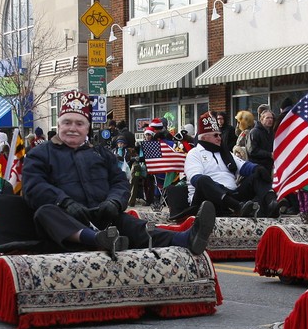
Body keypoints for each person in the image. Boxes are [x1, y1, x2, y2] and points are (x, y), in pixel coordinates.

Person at [21, 90, 215, 256]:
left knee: (132, 224)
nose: (72, 128)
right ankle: (97, 239)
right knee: (45, 212)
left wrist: (114, 201)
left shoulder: (100, 153)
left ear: (87, 127)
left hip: (101, 214)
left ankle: (185, 238)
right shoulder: (40, 154)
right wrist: (64, 201)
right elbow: (34, 187)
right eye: (67, 123)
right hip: (64, 217)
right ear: (59, 125)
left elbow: (119, 182)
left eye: (79, 123)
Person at [183, 111, 279, 218]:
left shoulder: (224, 152)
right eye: (215, 135)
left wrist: (257, 168)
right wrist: (218, 187)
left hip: (231, 194)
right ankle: (238, 207)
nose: (220, 138)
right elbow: (196, 179)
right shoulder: (194, 153)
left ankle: (272, 204)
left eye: (219, 135)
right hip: (206, 199)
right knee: (203, 180)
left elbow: (244, 167)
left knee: (258, 172)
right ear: (204, 137)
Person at [245, 106, 276, 171]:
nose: (270, 120)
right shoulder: (254, 132)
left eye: (271, 118)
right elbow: (252, 151)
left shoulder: (271, 132)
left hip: (269, 166)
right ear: (261, 119)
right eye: (267, 118)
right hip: (258, 167)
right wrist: (269, 154)